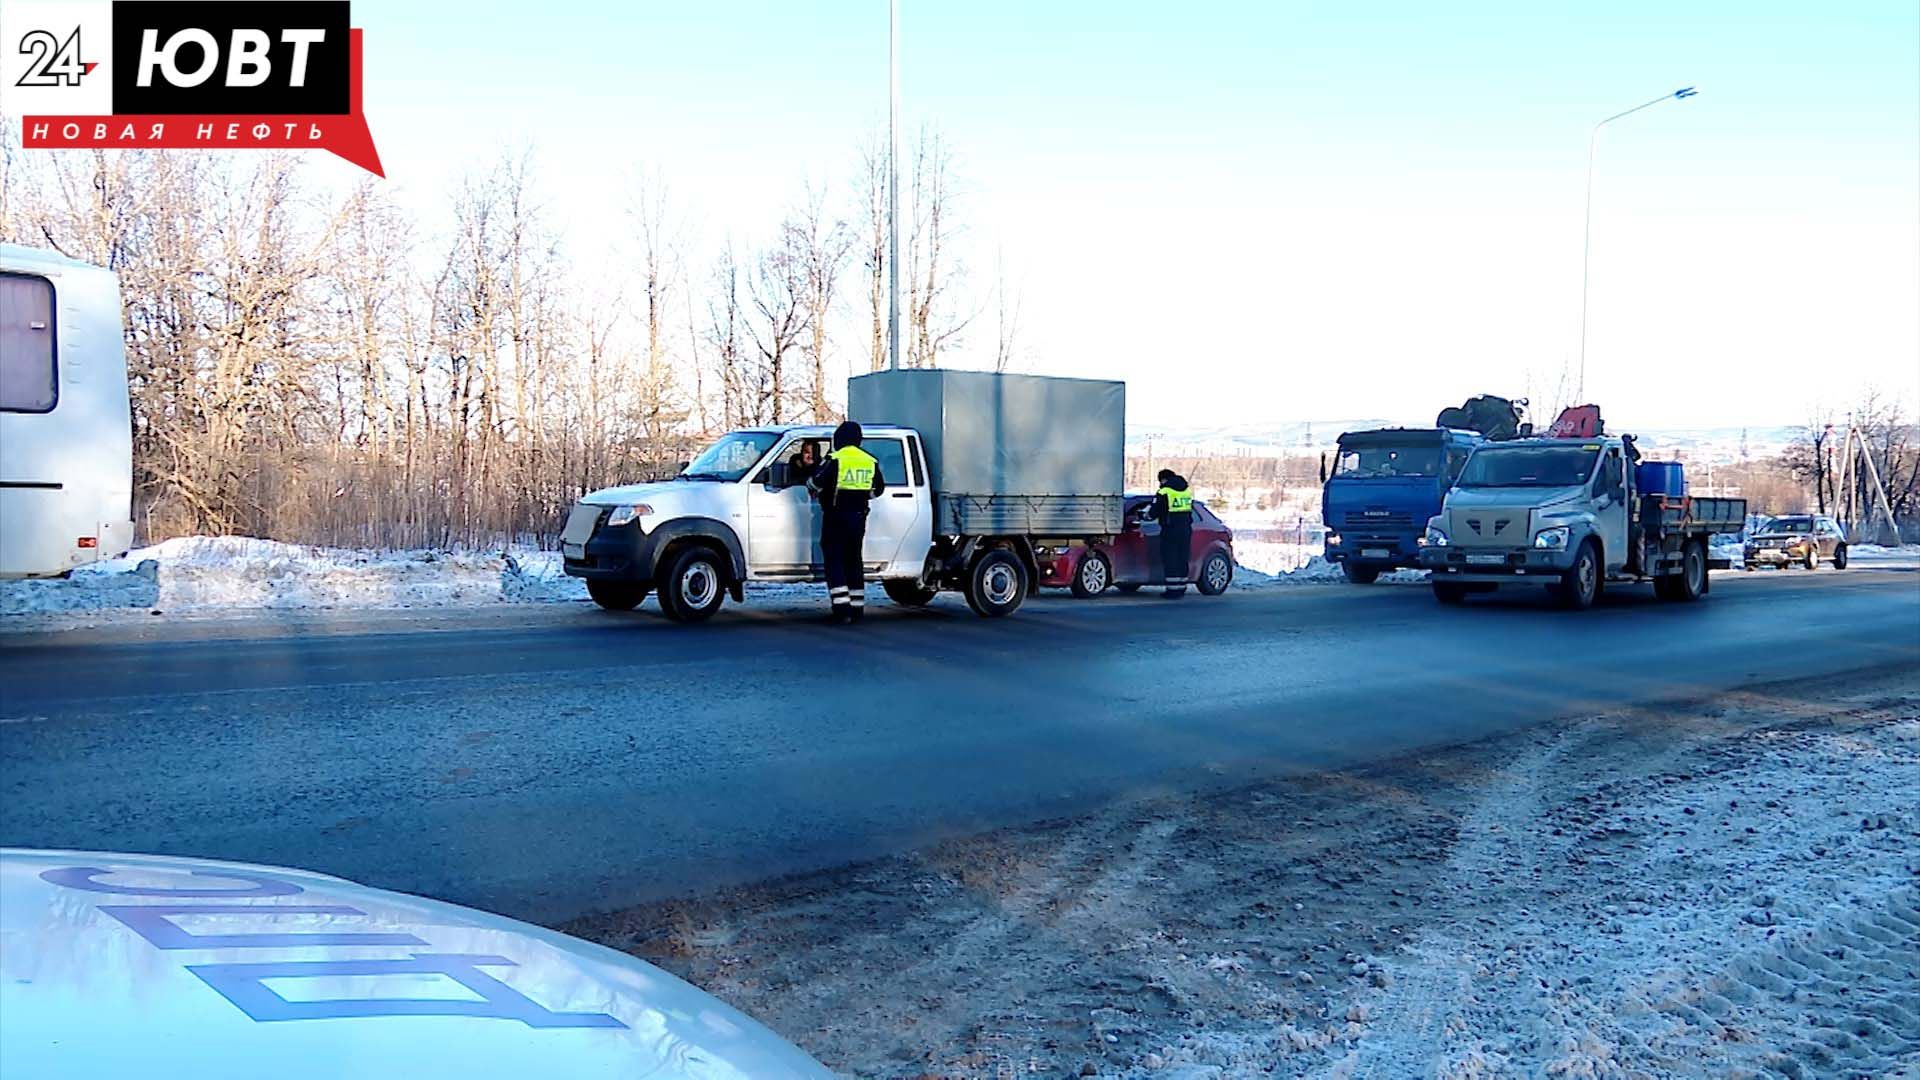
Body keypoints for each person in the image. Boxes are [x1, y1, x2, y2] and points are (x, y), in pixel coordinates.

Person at [806, 421, 885, 623]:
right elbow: (878, 489)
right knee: (853, 560)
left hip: (836, 515)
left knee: (834, 560)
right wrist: (862, 496)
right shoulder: (870, 460)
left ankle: (841, 609)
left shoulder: (834, 458)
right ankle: (857, 608)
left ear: (839, 438)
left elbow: (815, 482)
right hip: (859, 516)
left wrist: (813, 484)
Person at [1149, 468, 1194, 598]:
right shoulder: (1186, 490)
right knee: (1182, 558)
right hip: (1186, 529)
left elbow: (1155, 511)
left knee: (1171, 559)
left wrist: (1146, 515)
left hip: (1170, 529)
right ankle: (1181, 588)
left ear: (1163, 479)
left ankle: (1172, 590)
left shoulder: (1164, 491)